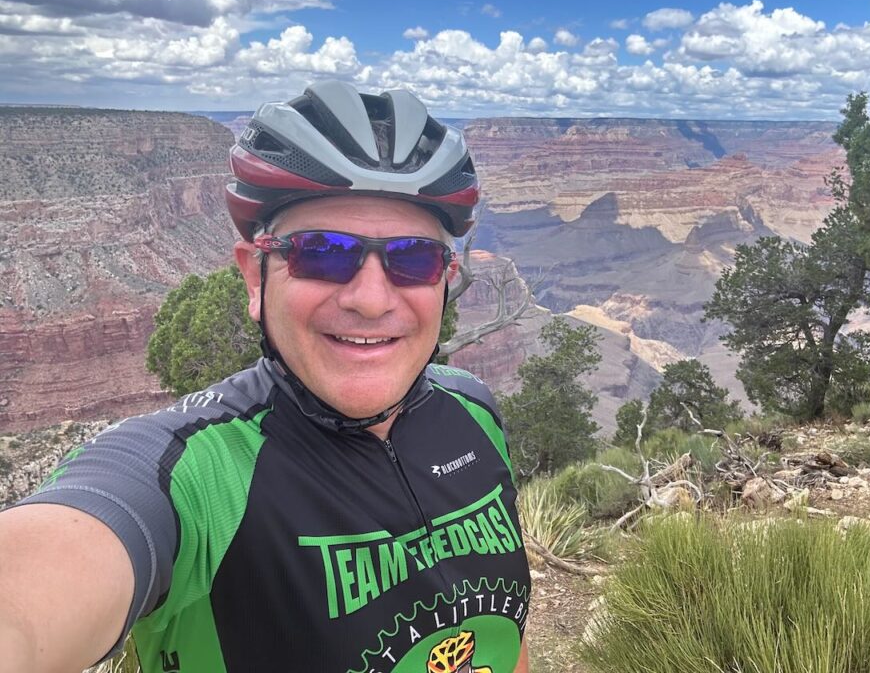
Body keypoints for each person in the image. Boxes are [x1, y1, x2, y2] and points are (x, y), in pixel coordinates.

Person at [0, 81, 531, 673]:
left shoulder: (474, 411)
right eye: (323, 252)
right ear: (256, 276)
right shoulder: (193, 472)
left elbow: (501, 635)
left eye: (413, 257)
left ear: (444, 279)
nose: (372, 299)